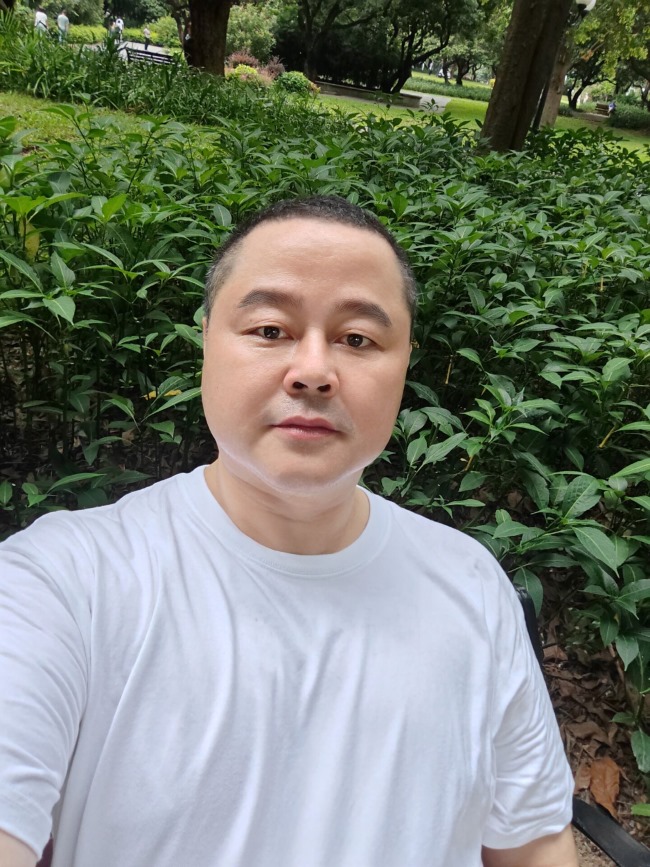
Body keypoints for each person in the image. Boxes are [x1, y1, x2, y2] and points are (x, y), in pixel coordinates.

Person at [0, 196, 578, 867]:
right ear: (207, 340)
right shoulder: (62, 581)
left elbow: (534, 843)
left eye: (357, 339)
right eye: (270, 329)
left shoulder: (470, 582)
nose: (313, 371)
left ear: (404, 364)